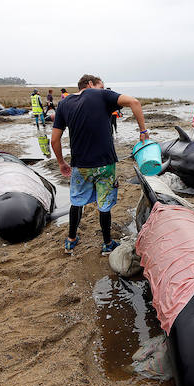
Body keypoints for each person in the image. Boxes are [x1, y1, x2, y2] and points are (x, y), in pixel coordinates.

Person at [51, 74, 149, 255]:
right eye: (101, 85)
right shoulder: (102, 95)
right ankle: (107, 244)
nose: (104, 89)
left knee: (77, 201)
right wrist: (143, 130)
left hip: (80, 166)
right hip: (105, 164)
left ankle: (71, 240)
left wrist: (61, 162)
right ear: (90, 84)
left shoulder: (64, 103)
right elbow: (134, 102)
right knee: (104, 204)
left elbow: (55, 140)